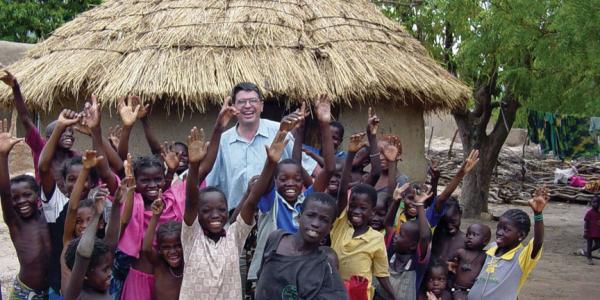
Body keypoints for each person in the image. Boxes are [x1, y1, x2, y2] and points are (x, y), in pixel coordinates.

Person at [179, 110, 282, 299]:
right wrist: (193, 166)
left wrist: (271, 163)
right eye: (207, 211)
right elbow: (191, 201)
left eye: (220, 209)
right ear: (198, 215)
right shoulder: (192, 238)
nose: (216, 214)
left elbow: (252, 200)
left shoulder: (234, 237)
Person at [247, 94, 336, 282]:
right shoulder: (271, 201)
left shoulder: (307, 202)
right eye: (284, 179)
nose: (291, 184)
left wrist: (325, 124)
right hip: (271, 273)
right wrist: (273, 155)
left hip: (300, 270)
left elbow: (329, 170)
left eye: (297, 179)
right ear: (275, 181)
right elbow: (266, 181)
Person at [205, 82, 317, 211]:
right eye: (241, 102)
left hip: (276, 217)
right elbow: (209, 185)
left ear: (261, 106)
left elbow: (310, 170)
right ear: (234, 107)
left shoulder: (281, 131)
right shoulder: (222, 141)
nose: (248, 106)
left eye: (253, 101)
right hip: (236, 219)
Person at [255, 192, 348, 299]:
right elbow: (261, 277)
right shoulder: (276, 239)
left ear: (330, 229)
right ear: (299, 217)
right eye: (311, 215)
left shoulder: (324, 267)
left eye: (324, 220)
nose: (315, 224)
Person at [0, 120, 51, 299]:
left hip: (50, 292)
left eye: (27, 195)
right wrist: (3, 155)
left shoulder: (48, 216)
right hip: (25, 293)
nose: (21, 201)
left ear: (37, 195)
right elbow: (5, 193)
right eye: (16, 198)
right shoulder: (16, 224)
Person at [468, 187, 549, 300]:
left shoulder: (521, 257)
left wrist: (538, 214)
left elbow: (538, 242)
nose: (499, 232)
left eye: (506, 230)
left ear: (521, 236)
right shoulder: (491, 248)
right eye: (499, 227)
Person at [331, 182, 397, 299]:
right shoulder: (340, 225)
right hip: (334, 292)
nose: (356, 211)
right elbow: (342, 192)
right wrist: (349, 162)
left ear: (372, 212)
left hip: (359, 295)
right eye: (352, 206)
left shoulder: (376, 238)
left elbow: (382, 274)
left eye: (363, 208)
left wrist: (394, 297)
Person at [377, 184, 432, 300]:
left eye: (400, 235)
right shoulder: (392, 250)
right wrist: (396, 201)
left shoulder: (417, 261)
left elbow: (425, 238)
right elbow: (388, 224)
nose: (396, 236)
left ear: (413, 245)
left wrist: (420, 205)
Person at [63, 188, 116, 300]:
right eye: (105, 269)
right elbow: (82, 256)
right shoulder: (75, 294)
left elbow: (112, 241)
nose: (110, 273)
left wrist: (117, 204)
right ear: (85, 274)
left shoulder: (102, 289)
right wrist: (96, 214)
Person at [448, 224, 491, 300]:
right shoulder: (461, 252)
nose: (470, 237)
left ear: (485, 241)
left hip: (474, 291)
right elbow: (448, 262)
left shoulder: (485, 255)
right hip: (457, 289)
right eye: (468, 234)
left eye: (475, 235)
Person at [583, 195, 600, 265]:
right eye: (594, 202)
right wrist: (585, 231)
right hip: (589, 232)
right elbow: (586, 222)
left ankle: (587, 252)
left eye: (597, 202)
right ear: (591, 203)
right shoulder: (589, 213)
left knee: (598, 245)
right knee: (589, 245)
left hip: (597, 232)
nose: (595, 204)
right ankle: (589, 258)